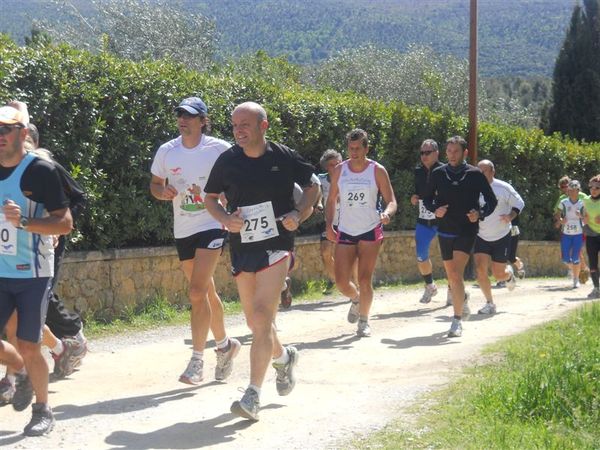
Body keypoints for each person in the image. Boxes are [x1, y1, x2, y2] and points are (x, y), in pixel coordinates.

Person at [204, 101, 319, 421]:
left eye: (245, 124)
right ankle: (283, 359)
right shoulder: (227, 161)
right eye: (234, 125)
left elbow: (313, 187)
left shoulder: (283, 156)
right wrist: (226, 219)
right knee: (257, 323)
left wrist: (300, 212)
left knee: (261, 315)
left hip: (278, 245)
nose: (238, 130)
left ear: (263, 126)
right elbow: (210, 199)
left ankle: (253, 393)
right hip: (243, 246)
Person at [150, 97, 241, 385]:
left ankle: (197, 360)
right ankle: (225, 346)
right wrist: (160, 192)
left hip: (212, 223)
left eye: (190, 116)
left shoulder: (219, 149)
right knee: (206, 293)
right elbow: (154, 183)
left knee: (196, 291)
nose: (183, 120)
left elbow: (240, 177)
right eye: (179, 115)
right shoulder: (167, 151)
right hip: (184, 228)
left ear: (203, 120)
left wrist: (232, 199)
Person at [0, 105, 73, 435]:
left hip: (32, 274)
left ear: (22, 134)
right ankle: (19, 369)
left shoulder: (41, 170)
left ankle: (43, 409)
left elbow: (65, 223)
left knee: (29, 344)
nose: (0, 136)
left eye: (6, 129)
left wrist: (26, 222)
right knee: (21, 353)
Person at [325, 128, 397, 338]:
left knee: (365, 279)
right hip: (346, 230)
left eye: (358, 148)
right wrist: (329, 225)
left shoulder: (377, 170)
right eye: (350, 148)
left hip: (370, 230)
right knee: (340, 281)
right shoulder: (340, 170)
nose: (354, 152)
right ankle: (357, 299)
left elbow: (391, 200)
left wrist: (387, 213)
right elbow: (331, 201)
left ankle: (364, 320)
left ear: (366, 148)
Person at [422, 136, 497, 338]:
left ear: (464, 153)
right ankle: (461, 299)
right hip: (445, 228)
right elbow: (427, 198)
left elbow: (491, 200)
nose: (452, 155)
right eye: (449, 151)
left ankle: (456, 321)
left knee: (455, 273)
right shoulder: (438, 173)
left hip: (466, 229)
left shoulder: (475, 174)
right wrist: (435, 210)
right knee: (452, 275)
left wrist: (479, 214)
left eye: (456, 151)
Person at [474, 160, 524, 314]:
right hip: (481, 235)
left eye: (484, 171)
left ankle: (508, 275)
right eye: (478, 171)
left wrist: (510, 215)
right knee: (480, 270)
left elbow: (519, 202)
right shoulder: (472, 188)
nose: (481, 175)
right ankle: (490, 303)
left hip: (501, 236)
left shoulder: (503, 188)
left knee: (498, 274)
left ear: (492, 172)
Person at [410, 139, 444, 304]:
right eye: (422, 153)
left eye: (428, 152)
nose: (424, 156)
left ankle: (454, 291)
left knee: (450, 258)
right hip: (424, 220)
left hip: (444, 221)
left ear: (437, 153)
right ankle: (430, 286)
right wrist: (415, 197)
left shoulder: (445, 170)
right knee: (420, 256)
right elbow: (419, 192)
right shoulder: (418, 171)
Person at [554, 175, 590, 283]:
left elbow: (590, 211)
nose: (565, 189)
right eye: (562, 187)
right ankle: (580, 270)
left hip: (581, 228)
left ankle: (581, 270)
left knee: (577, 252)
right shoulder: (562, 199)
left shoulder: (583, 197)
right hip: (566, 230)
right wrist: (559, 222)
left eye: (566, 186)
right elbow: (557, 212)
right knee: (568, 253)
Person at [582, 174, 600, 298]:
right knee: (592, 263)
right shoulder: (586, 201)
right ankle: (596, 288)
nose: (593, 190)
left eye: (597, 188)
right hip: (591, 235)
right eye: (591, 187)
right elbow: (584, 218)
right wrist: (584, 219)